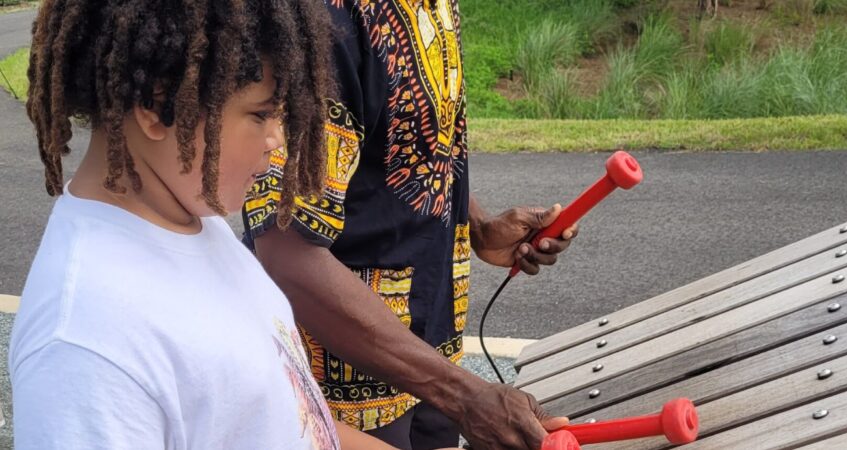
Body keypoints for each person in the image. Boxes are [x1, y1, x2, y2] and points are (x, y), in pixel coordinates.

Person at [9, 1, 454, 449]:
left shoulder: (193, 222)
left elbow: (294, 425)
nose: (278, 137)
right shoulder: (85, 346)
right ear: (159, 106)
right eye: (261, 114)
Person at [243, 0, 579, 448]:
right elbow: (284, 248)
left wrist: (478, 226)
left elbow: (408, 139)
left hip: (431, 352)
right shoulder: (326, 20)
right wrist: (463, 395)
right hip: (342, 389)